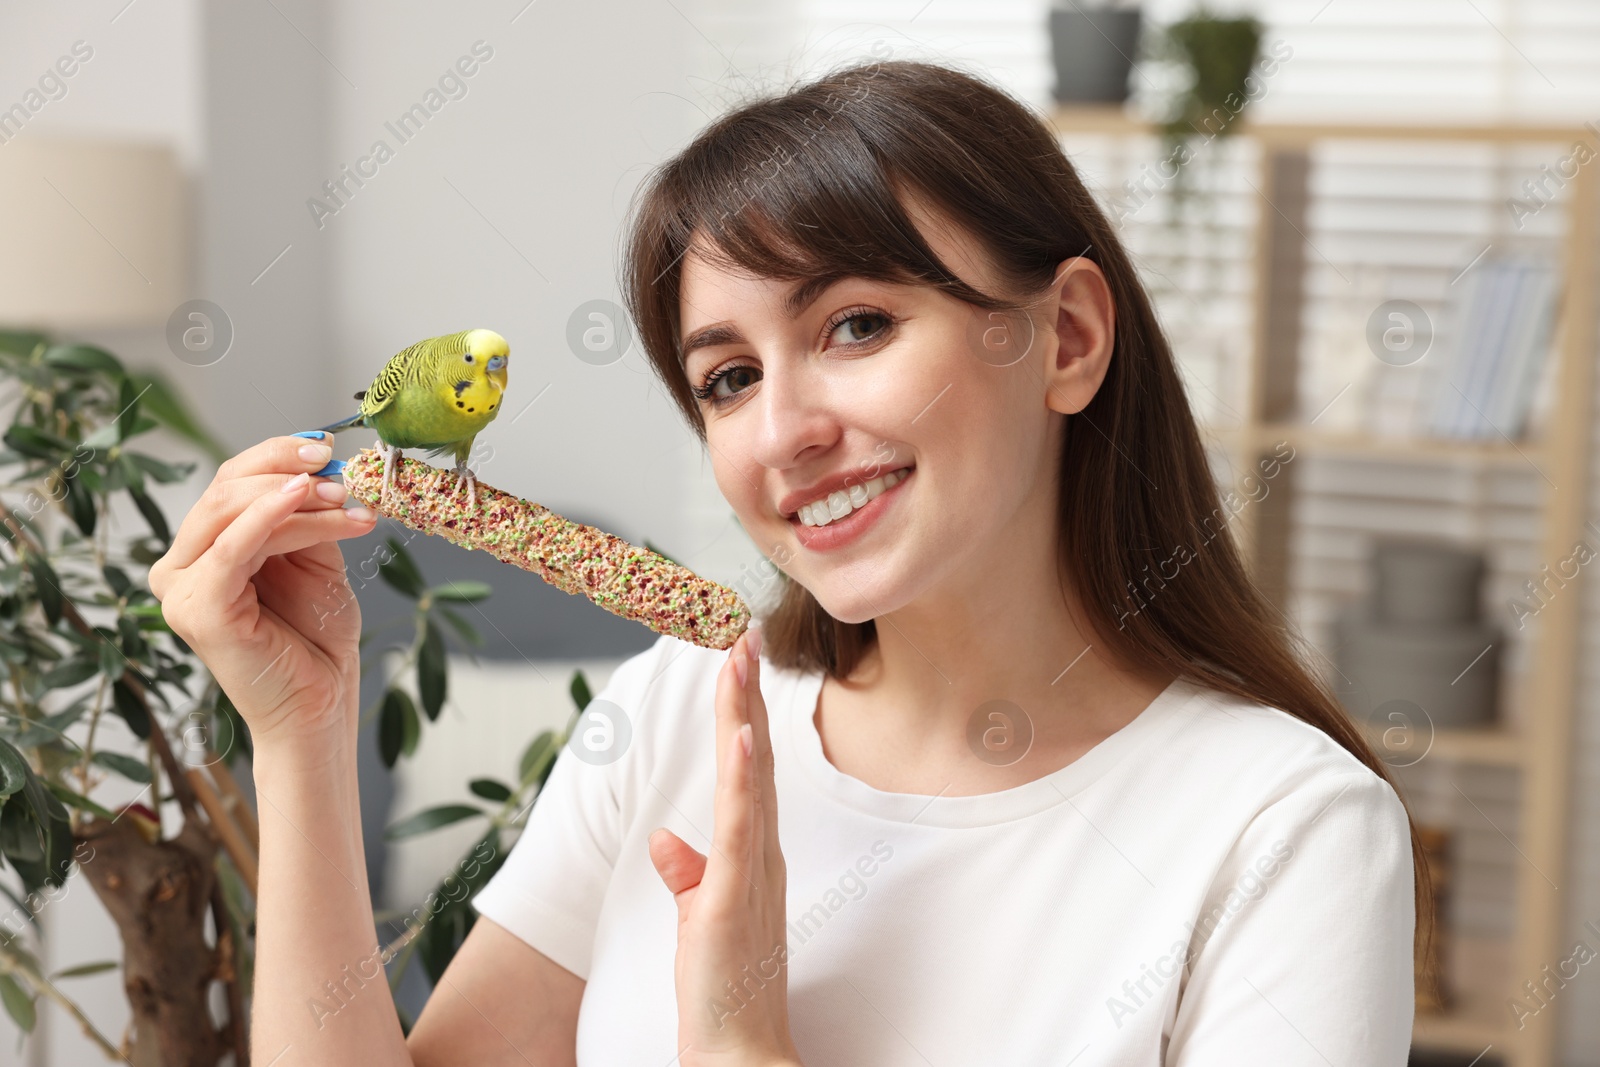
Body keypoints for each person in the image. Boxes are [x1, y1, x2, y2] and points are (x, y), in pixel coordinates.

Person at [151, 59, 1425, 1066]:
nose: (784, 433)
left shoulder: (1284, 829)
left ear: (1068, 337)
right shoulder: (672, 709)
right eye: (728, 377)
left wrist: (745, 1042)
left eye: (857, 323)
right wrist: (301, 734)